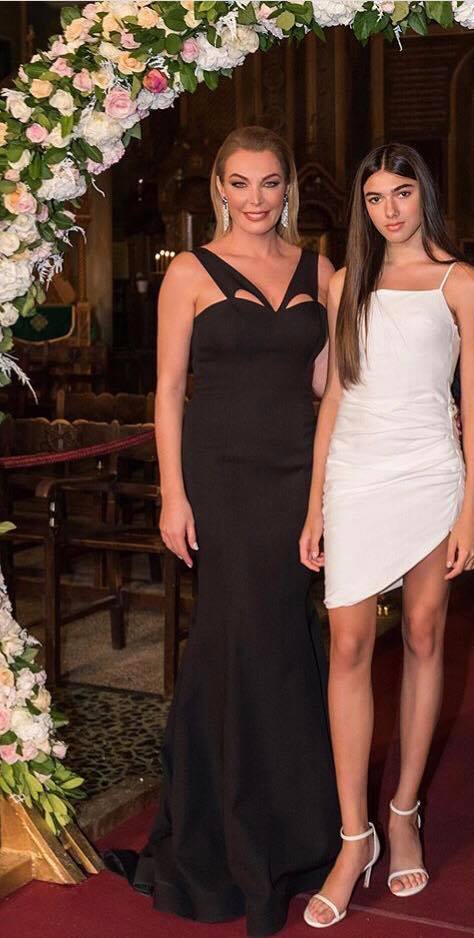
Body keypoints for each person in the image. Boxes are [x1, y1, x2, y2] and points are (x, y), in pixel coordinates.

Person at [105, 126, 340, 937]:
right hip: (222, 480)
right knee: (234, 641)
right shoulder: (188, 272)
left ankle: (299, 831)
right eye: (240, 183)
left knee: (286, 642)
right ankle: (226, 834)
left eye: (269, 183)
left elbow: (329, 385)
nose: (255, 199)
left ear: (288, 188)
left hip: (295, 476)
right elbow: (169, 390)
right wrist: (173, 495)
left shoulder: (320, 272)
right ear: (219, 189)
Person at [299, 143, 474, 928]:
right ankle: (355, 837)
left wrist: (472, 508)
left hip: (431, 470)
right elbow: (335, 396)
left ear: (423, 195)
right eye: (375, 198)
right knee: (347, 644)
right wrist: (316, 504)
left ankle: (404, 809)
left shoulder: (460, 280)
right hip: (355, 471)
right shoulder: (346, 281)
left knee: (423, 632)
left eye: (401, 194)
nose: (389, 211)